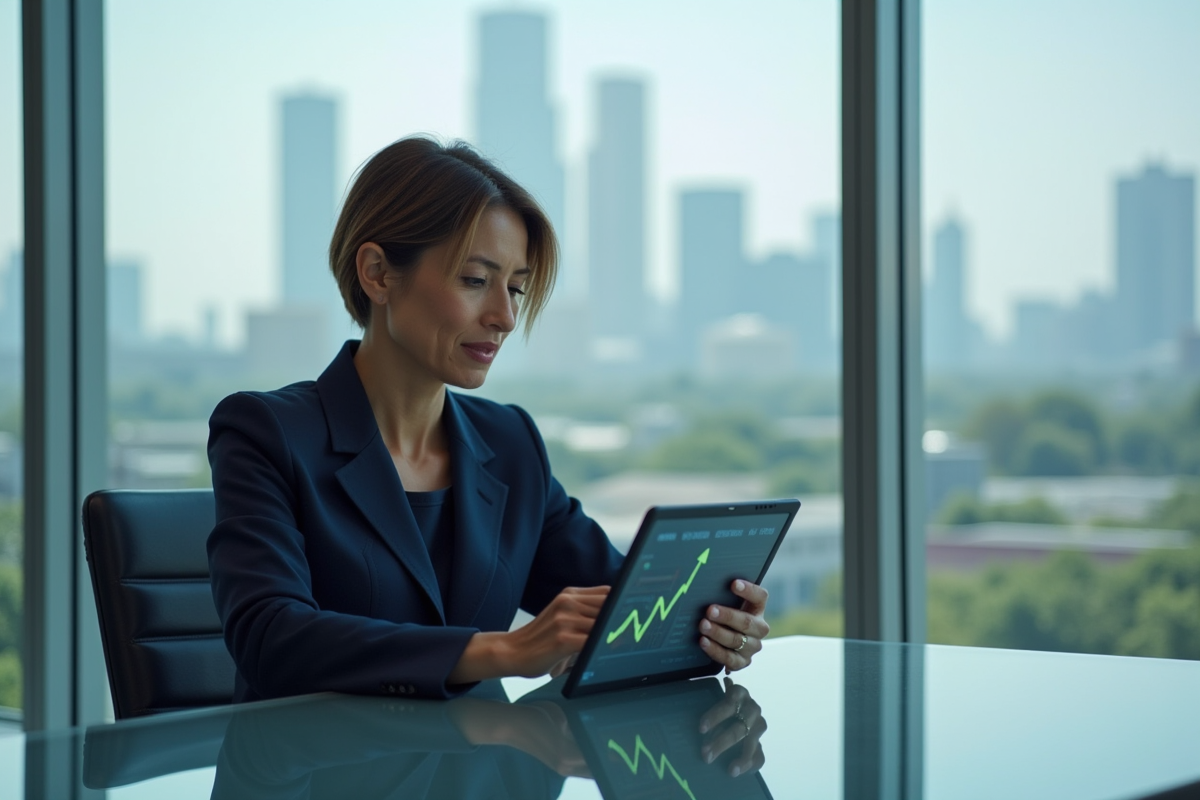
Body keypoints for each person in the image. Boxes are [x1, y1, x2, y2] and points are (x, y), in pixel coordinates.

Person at [207, 136, 771, 702]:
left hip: (478, 753)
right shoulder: (266, 433)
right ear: (377, 273)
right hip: (316, 756)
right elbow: (270, 637)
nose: (505, 317)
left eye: (516, 288)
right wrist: (506, 651)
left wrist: (714, 625)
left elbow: (631, 606)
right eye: (475, 281)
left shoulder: (509, 442)